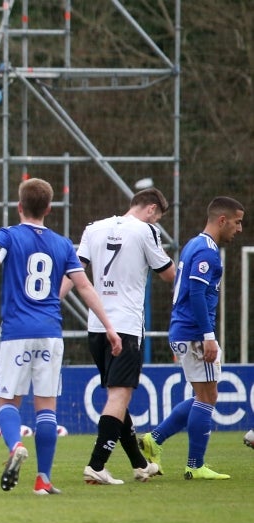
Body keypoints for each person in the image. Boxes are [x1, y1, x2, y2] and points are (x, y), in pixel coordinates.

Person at [0, 178, 123, 495]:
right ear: (49, 209)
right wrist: (110, 328)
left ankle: (16, 445)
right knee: (46, 407)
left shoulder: (7, 236)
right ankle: (43, 479)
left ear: (19, 206)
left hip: (17, 333)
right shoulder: (62, 244)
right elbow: (85, 286)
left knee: (7, 401)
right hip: (50, 333)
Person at [60, 188, 175, 485]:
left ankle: (139, 464)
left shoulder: (92, 228)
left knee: (116, 398)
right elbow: (167, 273)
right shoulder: (146, 230)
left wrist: (51, 301)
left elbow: (75, 271)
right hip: (125, 326)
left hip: (97, 326)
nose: (158, 222)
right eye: (159, 216)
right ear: (151, 209)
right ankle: (97, 465)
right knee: (119, 396)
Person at [139, 196, 245, 480]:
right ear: (221, 220)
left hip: (185, 330)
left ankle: (155, 439)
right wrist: (208, 336)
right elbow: (196, 294)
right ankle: (195, 465)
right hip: (195, 333)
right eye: (237, 222)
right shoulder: (207, 252)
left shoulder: (194, 244)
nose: (240, 229)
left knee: (203, 396)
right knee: (207, 397)